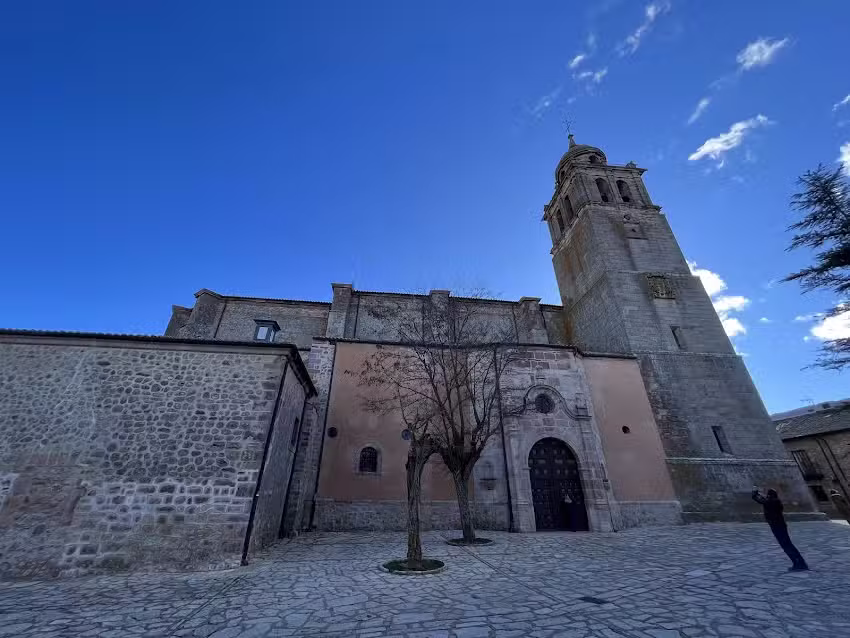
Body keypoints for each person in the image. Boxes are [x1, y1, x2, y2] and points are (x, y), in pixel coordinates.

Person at [752, 487, 809, 571]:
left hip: (777, 526)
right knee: (787, 544)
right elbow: (764, 500)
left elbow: (762, 501)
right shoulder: (775, 501)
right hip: (780, 525)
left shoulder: (772, 502)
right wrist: (758, 495)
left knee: (786, 545)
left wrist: (755, 494)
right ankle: (799, 562)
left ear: (769, 495)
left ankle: (799, 564)